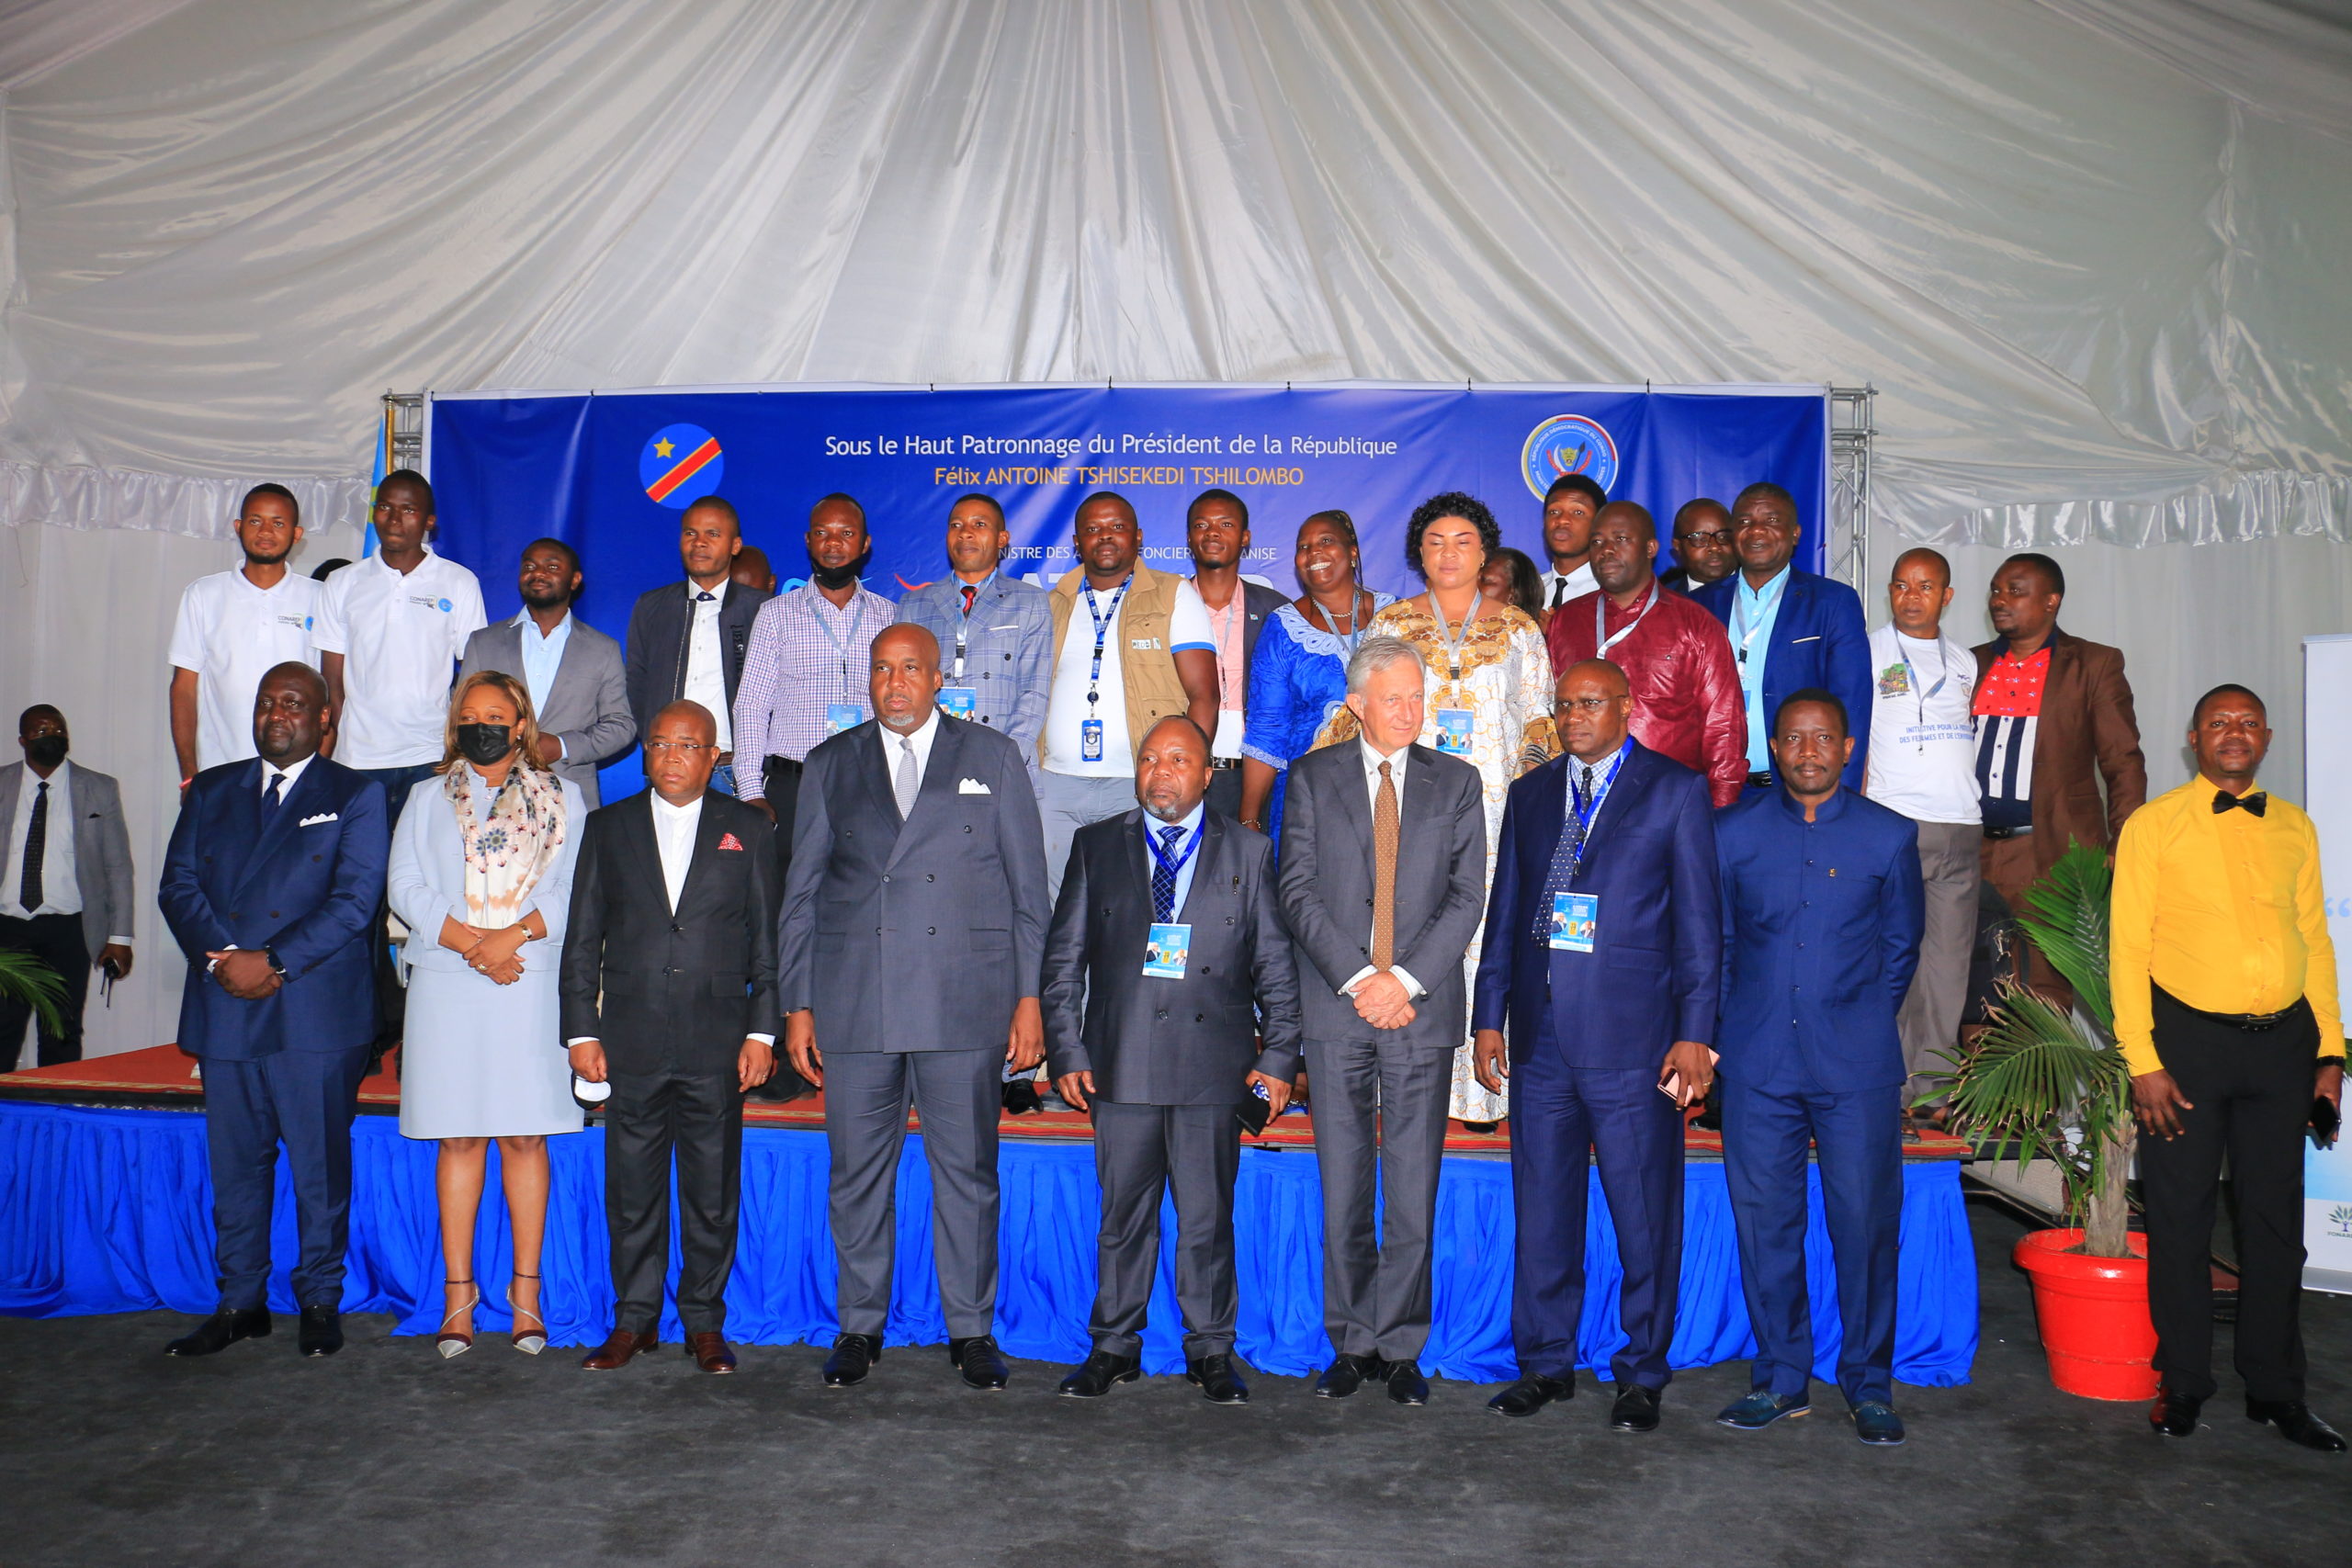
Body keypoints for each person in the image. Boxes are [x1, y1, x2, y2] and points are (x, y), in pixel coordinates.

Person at [777, 625, 1053, 1391]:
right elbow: (800, 896)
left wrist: (1029, 998)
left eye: (910, 669)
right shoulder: (831, 762)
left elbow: (1030, 893)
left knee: (967, 1173)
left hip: (964, 998)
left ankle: (971, 1329)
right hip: (855, 1000)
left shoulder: (993, 755)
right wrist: (797, 1003)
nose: (894, 683)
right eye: (881, 669)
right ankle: (859, 1325)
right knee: (856, 1174)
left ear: (938, 680)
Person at [1471, 660, 1720, 1429]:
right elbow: (1507, 911)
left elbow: (1701, 927)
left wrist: (1695, 1035)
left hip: (1633, 1042)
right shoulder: (1532, 793)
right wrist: (1488, 1015)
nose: (1573, 715)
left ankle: (1642, 1371)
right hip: (1540, 1039)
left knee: (1645, 1216)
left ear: (1626, 705)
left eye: (1589, 702)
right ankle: (1545, 1364)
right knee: (1544, 1211)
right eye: (1564, 704)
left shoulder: (1674, 790)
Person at [1045, 716, 1302, 1404]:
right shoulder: (1097, 844)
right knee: (1121, 1218)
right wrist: (1066, 1047)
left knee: (1207, 1219)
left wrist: (1280, 1056)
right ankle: (1113, 1346)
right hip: (1119, 1062)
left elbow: (1276, 966)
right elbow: (1063, 959)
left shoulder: (1249, 851)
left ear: (1208, 773)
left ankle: (1211, 1350)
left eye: (1179, 760)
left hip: (1214, 1067)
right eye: (1149, 759)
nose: (1161, 772)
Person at [2116, 685, 2346, 1451]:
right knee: (2180, 1218)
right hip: (2186, 1047)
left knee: (2276, 1224)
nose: (2234, 732)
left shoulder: (2295, 827)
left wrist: (2331, 1054)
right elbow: (2128, 950)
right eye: (2219, 722)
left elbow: (2315, 941)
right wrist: (2143, 1060)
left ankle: (2276, 1389)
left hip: (2283, 1047)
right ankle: (2183, 1380)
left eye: (2248, 722)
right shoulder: (2154, 825)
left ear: (2267, 737)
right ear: (2194, 739)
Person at [156, 663, 389, 1359]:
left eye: (293, 703)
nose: (276, 714)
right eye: (266, 703)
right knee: (236, 1167)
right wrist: (225, 958)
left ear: (324, 718)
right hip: (226, 997)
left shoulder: (355, 793)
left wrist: (275, 961)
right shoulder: (213, 788)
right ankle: (240, 1302)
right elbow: (178, 885)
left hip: (313, 1007)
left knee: (319, 1167)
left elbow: (355, 901)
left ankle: (318, 1299)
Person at [1277, 637, 1486, 1405]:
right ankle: (1352, 1340)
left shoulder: (1457, 781)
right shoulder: (1311, 777)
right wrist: (1363, 979)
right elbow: (1296, 889)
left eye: (1417, 697)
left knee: (1410, 1187)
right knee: (1343, 1186)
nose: (1409, 711)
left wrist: (1405, 981)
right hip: (1339, 1008)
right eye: (1393, 698)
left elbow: (1467, 895)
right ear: (1357, 704)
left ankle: (1400, 1345)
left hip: (1420, 1011)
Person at [1712, 689, 1922, 1446]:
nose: (1808, 751)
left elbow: (1901, 947)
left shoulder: (1889, 836)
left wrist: (1852, 1015)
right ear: (1773, 747)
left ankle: (1869, 1384)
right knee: (1765, 1223)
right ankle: (1780, 1377)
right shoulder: (1730, 833)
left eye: (1823, 738)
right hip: (1757, 1062)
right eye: (1794, 738)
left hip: (1856, 1066)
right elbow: (1718, 945)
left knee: (1864, 1224)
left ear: (1847, 747)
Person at [1319, 491, 1555, 1127]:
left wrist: (1534, 819)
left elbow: (1540, 725)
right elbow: (1359, 712)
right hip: (1406, 808)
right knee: (1408, 924)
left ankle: (1481, 1093)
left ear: (1485, 552)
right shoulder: (1391, 624)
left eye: (1463, 541)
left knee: (1483, 936)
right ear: (1418, 554)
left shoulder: (1521, 630)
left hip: (1496, 816)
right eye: (1435, 542)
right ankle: (1396, 1078)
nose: (1449, 554)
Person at [561, 700, 781, 1375]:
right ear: (645, 753)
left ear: (714, 757)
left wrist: (763, 1030)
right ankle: (634, 1321)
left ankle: (704, 1322)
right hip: (628, 1037)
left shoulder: (748, 828)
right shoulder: (608, 827)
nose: (672, 756)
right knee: (632, 1191)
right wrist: (580, 1029)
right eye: (659, 743)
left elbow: (769, 943)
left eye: (688, 745)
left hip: (718, 1039)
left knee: (712, 1191)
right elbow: (582, 937)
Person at [386, 672, 585, 1359]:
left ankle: (526, 1296)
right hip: (449, 979)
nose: (482, 727)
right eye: (469, 716)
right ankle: (458, 1297)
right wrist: (474, 944)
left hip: (529, 978)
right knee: (459, 1139)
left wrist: (513, 937)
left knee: (526, 1139)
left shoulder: (563, 796)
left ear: (521, 723)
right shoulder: (424, 796)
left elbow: (576, 887)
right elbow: (404, 886)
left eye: (495, 716)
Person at [311, 468, 488, 1055]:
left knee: (433, 897)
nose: (395, 518)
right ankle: (365, 1033)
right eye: (385, 507)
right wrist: (334, 757)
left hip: (429, 768)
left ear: (429, 520)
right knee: (358, 904)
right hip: (357, 767)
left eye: (409, 509)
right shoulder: (343, 584)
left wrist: (455, 758)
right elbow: (331, 684)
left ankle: (430, 1034)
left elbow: (472, 679)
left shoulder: (457, 582)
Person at [1972, 552, 2145, 1002]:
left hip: (2050, 854)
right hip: (1973, 853)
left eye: (2015, 591)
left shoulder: (2093, 664)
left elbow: (2122, 759)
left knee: (2043, 987)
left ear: (2051, 601)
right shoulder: (1970, 663)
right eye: (1995, 590)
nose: (1999, 600)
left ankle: (2039, 1054)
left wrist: (2122, 841)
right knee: (1974, 985)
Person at [1035, 491, 1220, 897]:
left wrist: (1185, 775)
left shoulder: (1173, 594)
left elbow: (1204, 695)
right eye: (1093, 529)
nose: (1105, 536)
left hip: (1136, 785)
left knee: (1133, 905)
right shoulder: (1051, 603)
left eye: (1117, 527)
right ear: (1077, 542)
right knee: (1057, 906)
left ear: (1138, 537)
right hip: (1056, 787)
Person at [1863, 547, 1981, 1115]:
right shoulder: (1868, 650)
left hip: (1962, 826)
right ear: (1890, 591)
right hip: (1895, 823)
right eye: (1902, 585)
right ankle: (1880, 1084)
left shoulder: (1965, 661)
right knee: (1894, 962)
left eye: (1926, 586)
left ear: (1947, 596)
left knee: (1947, 966)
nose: (1912, 596)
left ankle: (1932, 1088)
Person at [1544, 502, 1745, 807]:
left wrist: (1718, 813)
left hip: (1667, 804)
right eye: (1597, 542)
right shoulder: (1567, 621)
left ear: (1651, 548)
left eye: (1621, 539)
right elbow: (1550, 714)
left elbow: (1724, 729)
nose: (1606, 550)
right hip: (1582, 800)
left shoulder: (1696, 624)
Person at [733, 493, 895, 844]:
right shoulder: (775, 615)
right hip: (793, 785)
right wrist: (750, 790)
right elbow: (751, 705)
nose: (833, 543)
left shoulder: (890, 616)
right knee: (790, 880)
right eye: (822, 533)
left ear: (865, 544)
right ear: (808, 541)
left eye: (846, 533)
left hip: (870, 784)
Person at [1690, 481, 1871, 794]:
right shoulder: (1699, 605)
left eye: (1772, 520)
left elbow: (1852, 707)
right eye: (1744, 521)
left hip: (1799, 791)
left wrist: (1841, 799)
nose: (1757, 530)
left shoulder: (1832, 602)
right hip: (1712, 790)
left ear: (1795, 533)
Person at [1237, 510, 1393, 849]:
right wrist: (1249, 818)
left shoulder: (1397, 617)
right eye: (1303, 547)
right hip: (1308, 802)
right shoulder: (1283, 628)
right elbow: (1267, 728)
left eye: (1326, 541)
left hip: (1390, 790)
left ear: (1353, 552)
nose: (1314, 552)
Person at [0, 706, 135, 1070]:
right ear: (23, 740)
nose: (52, 735)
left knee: (61, 1031)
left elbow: (118, 867)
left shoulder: (99, 788)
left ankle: (56, 1102)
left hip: (68, 930)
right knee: (3, 1028)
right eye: (41, 730)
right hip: (6, 929)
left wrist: (119, 937)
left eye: (58, 729)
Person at [458, 539, 635, 807]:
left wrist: (562, 746)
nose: (538, 573)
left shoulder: (603, 649)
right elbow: (461, 719)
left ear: (574, 580)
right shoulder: (483, 642)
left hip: (570, 795)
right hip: (489, 792)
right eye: (529, 566)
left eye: (552, 567)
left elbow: (621, 725)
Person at [168, 483, 319, 784]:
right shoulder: (204, 594)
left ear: (296, 534)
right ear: (238, 527)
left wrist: (319, 771)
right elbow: (184, 688)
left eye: (278, 523)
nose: (266, 531)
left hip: (298, 776)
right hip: (220, 770)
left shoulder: (320, 597)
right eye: (255, 521)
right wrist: (188, 774)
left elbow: (330, 691)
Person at [623, 495, 771, 797]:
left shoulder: (763, 610)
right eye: (691, 533)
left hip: (736, 770)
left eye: (713, 534)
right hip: (667, 768)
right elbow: (637, 683)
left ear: (735, 545)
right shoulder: (651, 606)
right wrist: (656, 743)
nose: (699, 542)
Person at [892, 492, 1054, 769]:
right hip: (929, 761)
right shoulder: (914, 604)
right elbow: (903, 690)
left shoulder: (1030, 601)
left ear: (1002, 539)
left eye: (979, 525)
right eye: (956, 525)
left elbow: (1034, 692)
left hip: (1002, 759)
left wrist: (1004, 761)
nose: (965, 533)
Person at [1186, 489, 1290, 820]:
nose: (1213, 532)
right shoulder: (1168, 606)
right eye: (1202, 525)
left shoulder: (1275, 609)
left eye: (1226, 524)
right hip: (1185, 770)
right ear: (1189, 538)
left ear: (1245, 538)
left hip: (1256, 774)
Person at [1536, 474, 1603, 614]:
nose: (1562, 520)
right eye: (1554, 511)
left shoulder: (1611, 594)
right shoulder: (1528, 591)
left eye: (1578, 512)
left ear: (1599, 524)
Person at [1659, 498, 1736, 594]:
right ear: (1678, 546)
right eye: (1701, 539)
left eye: (1723, 537)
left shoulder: (1753, 589)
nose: (1715, 547)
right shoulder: (1665, 597)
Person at [1482, 547, 1550, 628]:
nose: (1472, 585)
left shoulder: (1525, 634)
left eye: (1484, 580)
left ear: (1513, 596)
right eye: (1472, 579)